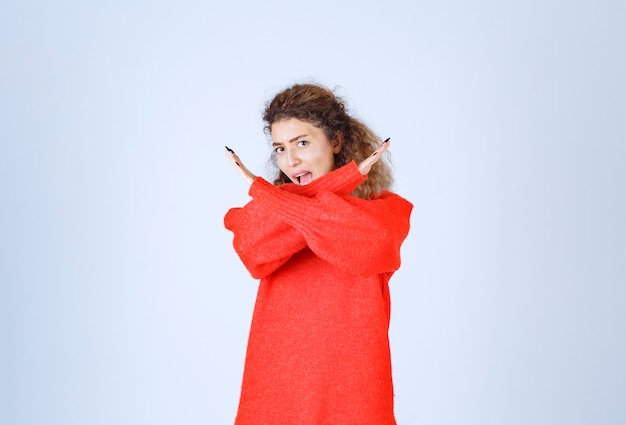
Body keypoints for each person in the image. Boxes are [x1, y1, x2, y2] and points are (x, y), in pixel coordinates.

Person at [223, 83, 413, 425]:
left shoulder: (383, 213)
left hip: (354, 397)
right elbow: (252, 249)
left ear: (336, 141)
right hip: (276, 395)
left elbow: (368, 243)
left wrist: (262, 190)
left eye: (302, 143)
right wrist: (341, 179)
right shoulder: (270, 213)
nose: (290, 160)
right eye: (280, 148)